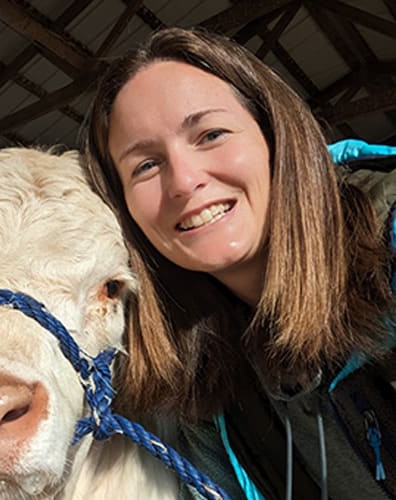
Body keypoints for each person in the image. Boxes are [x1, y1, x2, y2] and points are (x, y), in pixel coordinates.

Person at [83, 27, 396, 500]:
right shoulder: (200, 385)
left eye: (210, 134)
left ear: (274, 133)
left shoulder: (388, 235)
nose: (184, 182)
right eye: (145, 165)